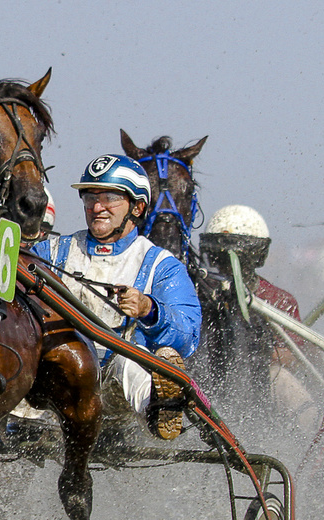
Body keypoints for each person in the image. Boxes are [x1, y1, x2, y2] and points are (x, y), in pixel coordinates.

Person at [31, 154, 202, 440]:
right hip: (56, 381)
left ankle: (160, 408)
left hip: (113, 390)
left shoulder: (162, 265)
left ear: (138, 207)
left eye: (109, 197)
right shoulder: (49, 252)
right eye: (90, 198)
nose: (97, 207)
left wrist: (150, 309)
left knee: (131, 360)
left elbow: (187, 337)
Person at [195, 205, 320, 434]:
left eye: (234, 257)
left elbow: (294, 354)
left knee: (305, 408)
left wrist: (258, 351)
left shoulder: (277, 300)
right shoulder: (195, 293)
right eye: (222, 256)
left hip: (263, 375)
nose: (228, 264)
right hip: (203, 374)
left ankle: (311, 445)